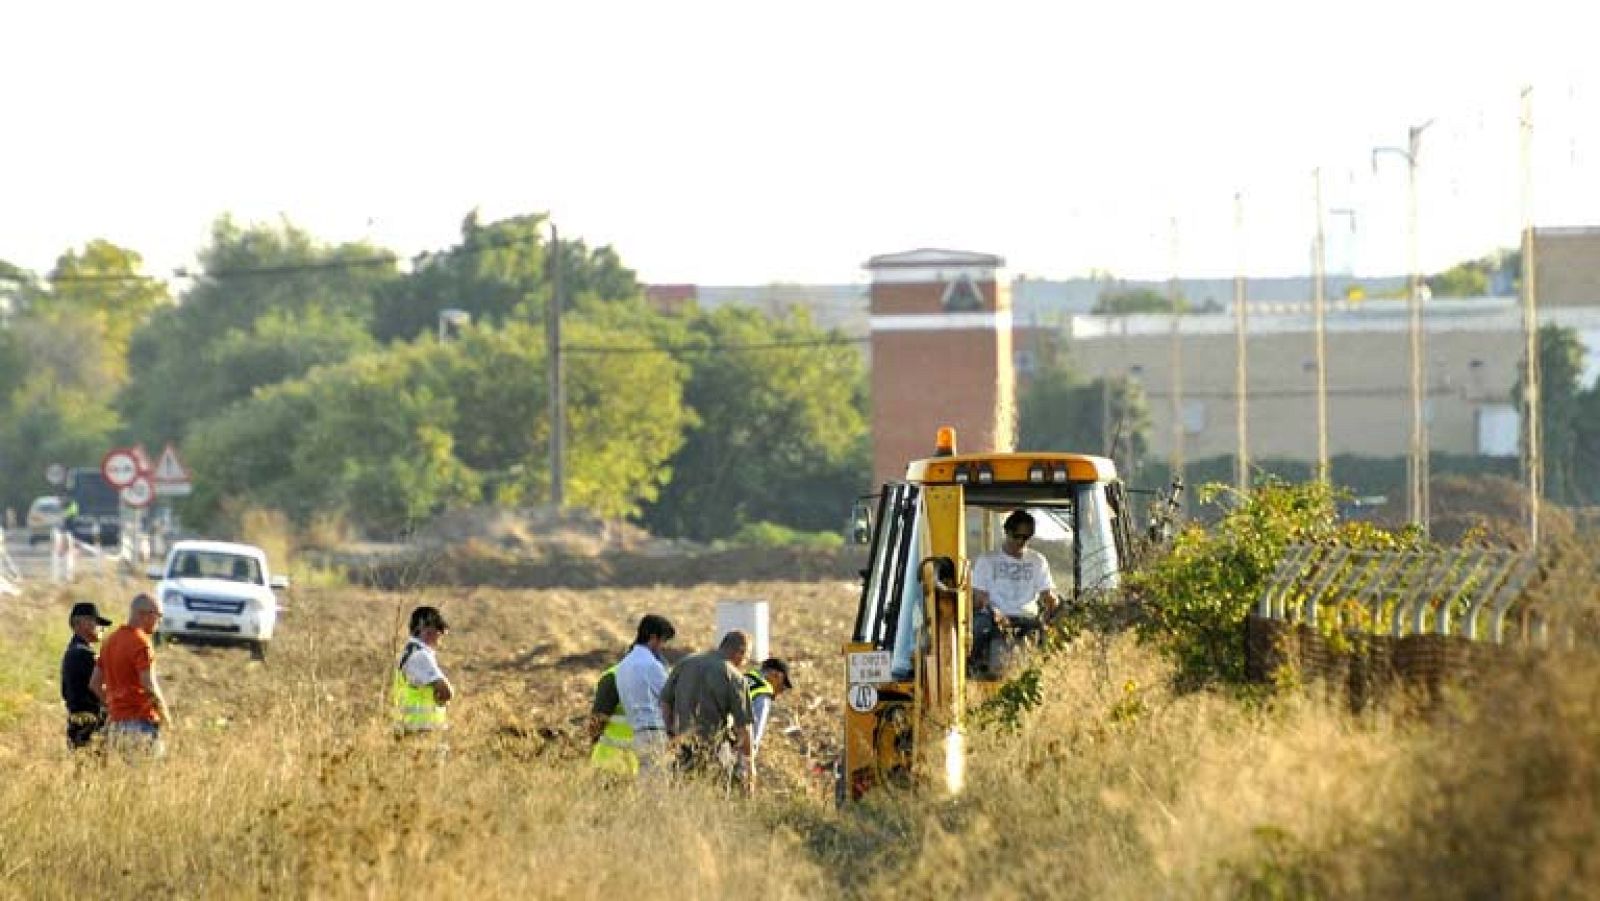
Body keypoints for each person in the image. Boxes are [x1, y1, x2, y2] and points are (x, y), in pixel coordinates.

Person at [661, 629, 755, 794]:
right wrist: (749, 764)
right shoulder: (735, 677)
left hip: (683, 748)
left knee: (682, 798)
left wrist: (669, 732)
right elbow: (744, 727)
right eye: (747, 657)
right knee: (714, 800)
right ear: (740, 653)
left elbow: (665, 701)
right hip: (715, 751)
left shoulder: (685, 663)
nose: (745, 662)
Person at [971, 510, 1060, 677]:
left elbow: (1046, 592)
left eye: (1026, 537)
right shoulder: (987, 561)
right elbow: (979, 597)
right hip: (994, 619)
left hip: (1028, 619)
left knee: (1054, 639)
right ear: (1007, 532)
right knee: (978, 628)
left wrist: (1052, 602)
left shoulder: (1037, 561)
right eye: (1017, 536)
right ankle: (972, 668)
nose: (1021, 541)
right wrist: (992, 611)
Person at [92, 593, 171, 758]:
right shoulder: (141, 642)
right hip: (140, 724)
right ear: (145, 615)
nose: (159, 622)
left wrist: (115, 704)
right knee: (149, 778)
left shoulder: (110, 641)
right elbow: (148, 685)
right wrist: (165, 715)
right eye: (158, 616)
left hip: (116, 726)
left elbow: (94, 683)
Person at [612, 614, 675, 773]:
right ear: (653, 638)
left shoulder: (623, 666)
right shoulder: (652, 665)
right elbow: (669, 697)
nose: (662, 647)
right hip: (655, 732)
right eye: (662, 641)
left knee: (645, 781)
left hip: (637, 733)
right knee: (658, 786)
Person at [393, 606, 453, 736]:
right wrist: (444, 698)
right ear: (426, 629)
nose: (441, 634)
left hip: (410, 729)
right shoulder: (420, 656)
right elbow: (446, 691)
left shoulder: (409, 652)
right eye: (439, 629)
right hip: (422, 733)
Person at [61, 601, 112, 750]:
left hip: (76, 722)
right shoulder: (85, 654)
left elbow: (65, 692)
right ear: (83, 623)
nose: (101, 629)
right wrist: (114, 708)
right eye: (98, 623)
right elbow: (97, 686)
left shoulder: (71, 651)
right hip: (91, 724)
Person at [744, 657, 792, 756]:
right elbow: (752, 739)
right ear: (776, 675)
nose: (781, 691)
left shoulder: (745, 678)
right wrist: (749, 764)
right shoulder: (763, 697)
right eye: (783, 685)